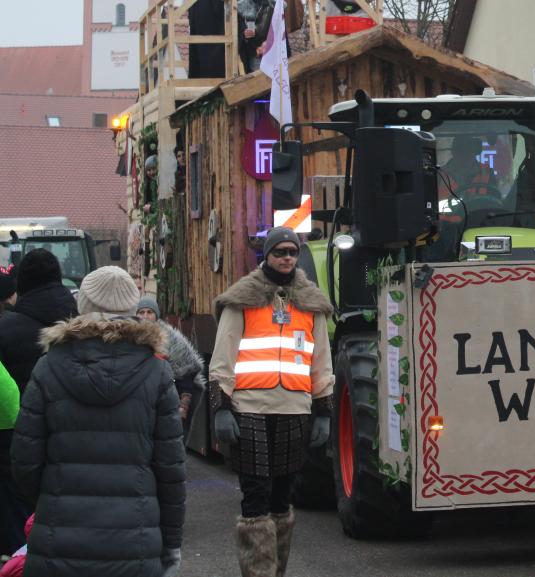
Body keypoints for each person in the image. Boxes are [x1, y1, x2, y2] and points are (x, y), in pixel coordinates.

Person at [10, 265, 185, 576]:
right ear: (132, 308)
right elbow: (170, 471)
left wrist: (53, 498)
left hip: (58, 541)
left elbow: (25, 462)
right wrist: (171, 545)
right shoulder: (157, 372)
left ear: (83, 305)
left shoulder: (48, 367)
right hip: (135, 543)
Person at [208, 227, 334, 577]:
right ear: (266, 255)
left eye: (292, 252)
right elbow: (223, 357)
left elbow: (321, 361)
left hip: (293, 409)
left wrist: (324, 411)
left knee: (282, 497)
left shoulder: (312, 304)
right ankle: (258, 573)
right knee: (256, 495)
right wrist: (221, 406)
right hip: (250, 408)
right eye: (279, 252)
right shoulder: (242, 300)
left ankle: (275, 570)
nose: (286, 258)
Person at [0, 250, 76, 556]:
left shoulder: (6, 330)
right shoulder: (81, 328)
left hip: (11, 457)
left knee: (19, 545)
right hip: (72, 453)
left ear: (23, 286)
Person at [136, 296, 205, 430]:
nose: (145, 316)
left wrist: (183, 405)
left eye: (149, 312)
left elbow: (186, 370)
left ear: (156, 316)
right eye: (141, 312)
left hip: (169, 397)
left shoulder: (169, 337)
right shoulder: (130, 337)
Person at [237, 0, 276, 74]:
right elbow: (239, 29)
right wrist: (244, 34)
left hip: (271, 50)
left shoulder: (274, 6)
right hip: (252, 51)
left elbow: (279, 29)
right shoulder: (242, 8)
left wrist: (268, 43)